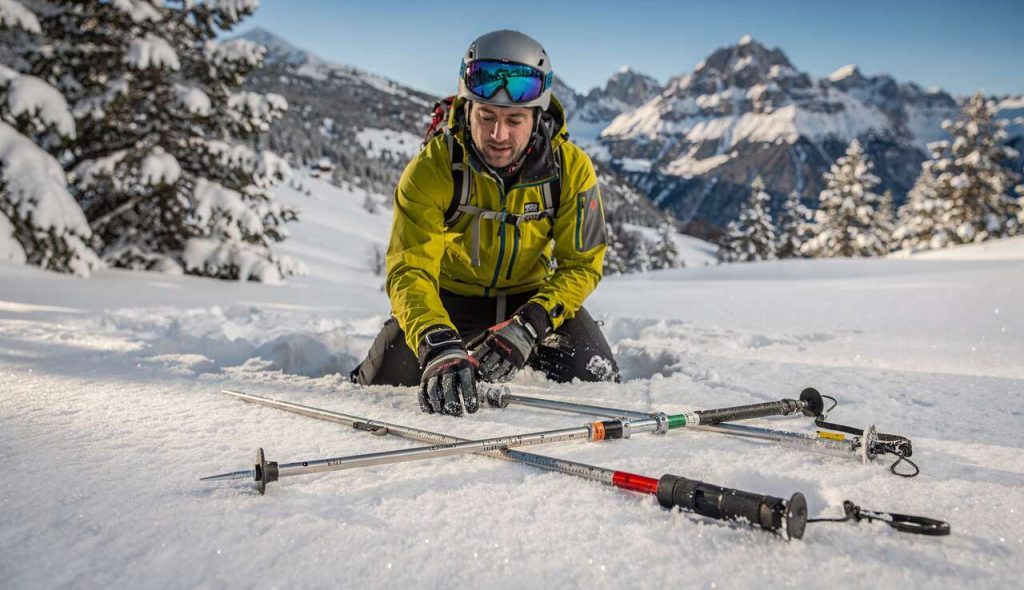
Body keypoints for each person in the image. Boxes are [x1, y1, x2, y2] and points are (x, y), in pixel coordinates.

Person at [351, 29, 619, 416]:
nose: (498, 134)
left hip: (531, 302)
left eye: (514, 120)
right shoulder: (433, 168)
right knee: (377, 390)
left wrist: (532, 325)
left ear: (537, 116)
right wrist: (435, 342)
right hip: (450, 300)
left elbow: (583, 263)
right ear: (467, 109)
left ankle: (526, 349)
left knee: (600, 383)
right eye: (486, 116)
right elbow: (409, 269)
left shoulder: (570, 168)